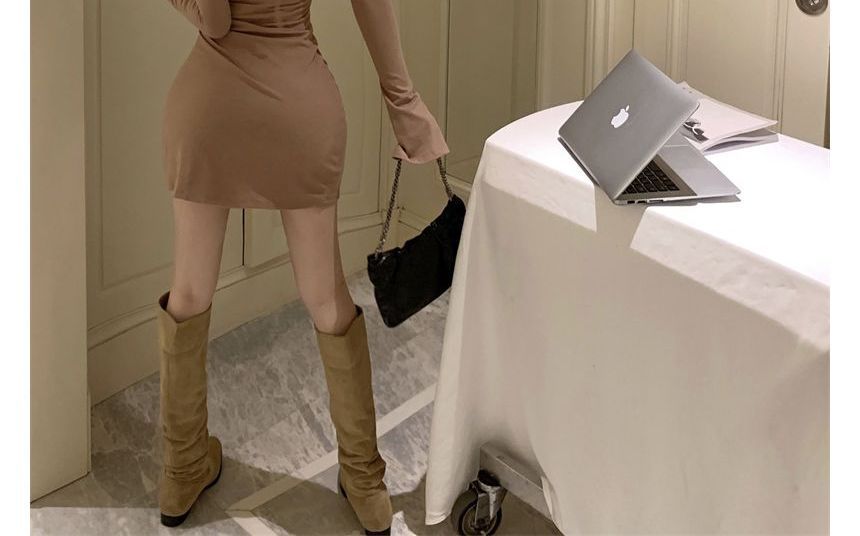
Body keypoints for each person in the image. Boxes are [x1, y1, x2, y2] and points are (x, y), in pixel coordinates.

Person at [156, 1, 449, 533]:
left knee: (190, 292)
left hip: (208, 111)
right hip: (300, 107)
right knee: (326, 296)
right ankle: (365, 480)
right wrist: (405, 103)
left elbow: (216, 21)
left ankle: (182, 469)